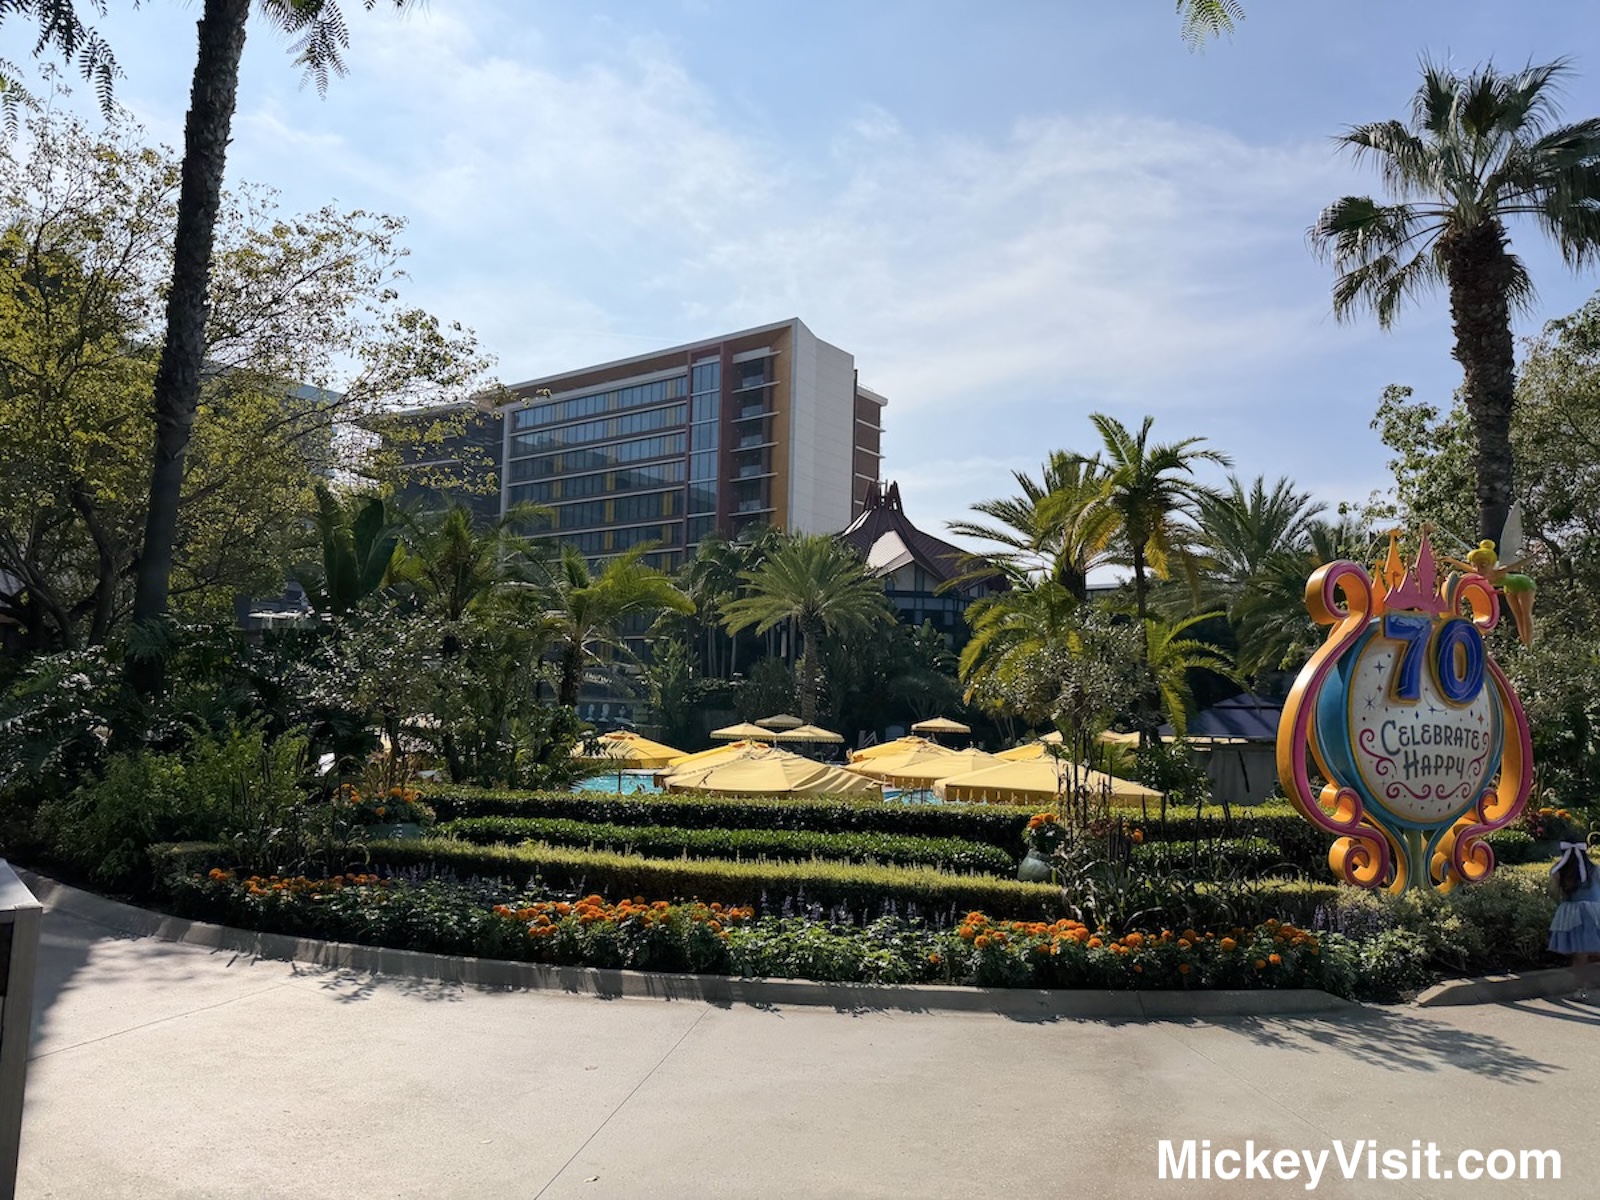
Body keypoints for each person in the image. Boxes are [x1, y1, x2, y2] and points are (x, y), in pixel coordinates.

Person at [1548, 840, 1600, 1000]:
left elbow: (1553, 894)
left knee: (1580, 955)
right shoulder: (1595, 869)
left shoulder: (1559, 870)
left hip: (1572, 914)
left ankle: (1580, 989)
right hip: (1595, 912)